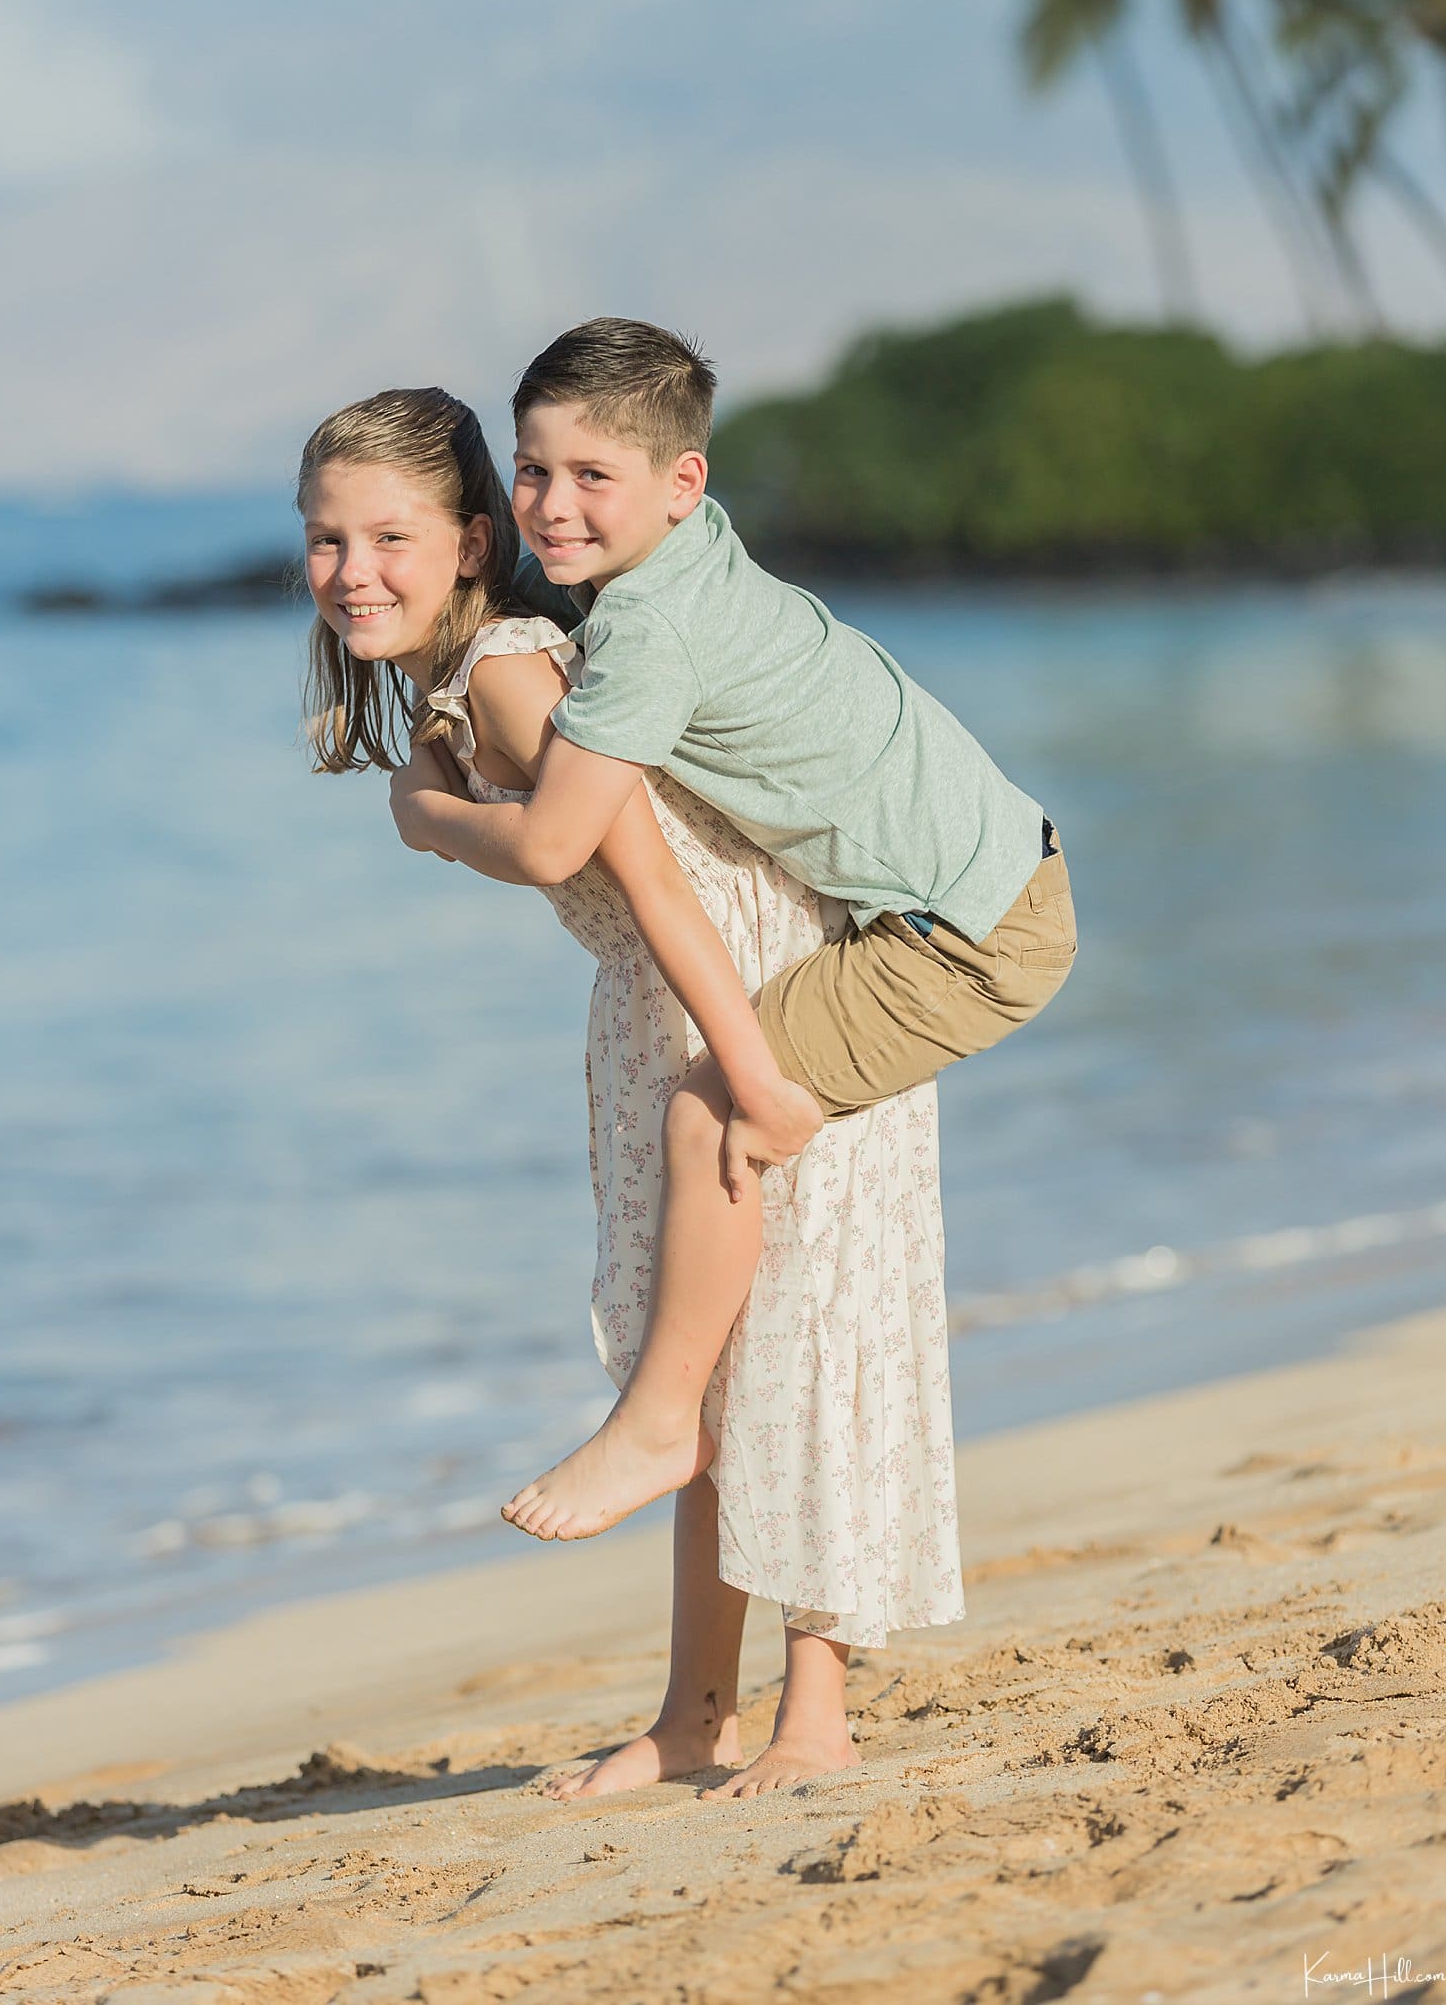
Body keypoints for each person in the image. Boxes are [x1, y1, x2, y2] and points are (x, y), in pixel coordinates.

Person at [298, 386, 964, 1799]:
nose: (354, 572)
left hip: (751, 993)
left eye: (390, 537)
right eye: (325, 541)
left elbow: (650, 870)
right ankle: (691, 1717)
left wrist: (754, 1069)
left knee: (795, 1346)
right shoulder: (455, 681)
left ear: (473, 539)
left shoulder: (512, 671)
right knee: (707, 1374)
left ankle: (816, 1721)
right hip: (667, 1012)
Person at [388, 319, 1078, 1553]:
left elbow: (552, 843)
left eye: (593, 478)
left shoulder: (650, 634)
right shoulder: (686, 559)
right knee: (729, 1105)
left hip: (965, 937)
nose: (554, 505)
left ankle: (660, 1421)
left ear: (683, 483)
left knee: (714, 1108)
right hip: (992, 876)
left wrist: (429, 811)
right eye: (533, 470)